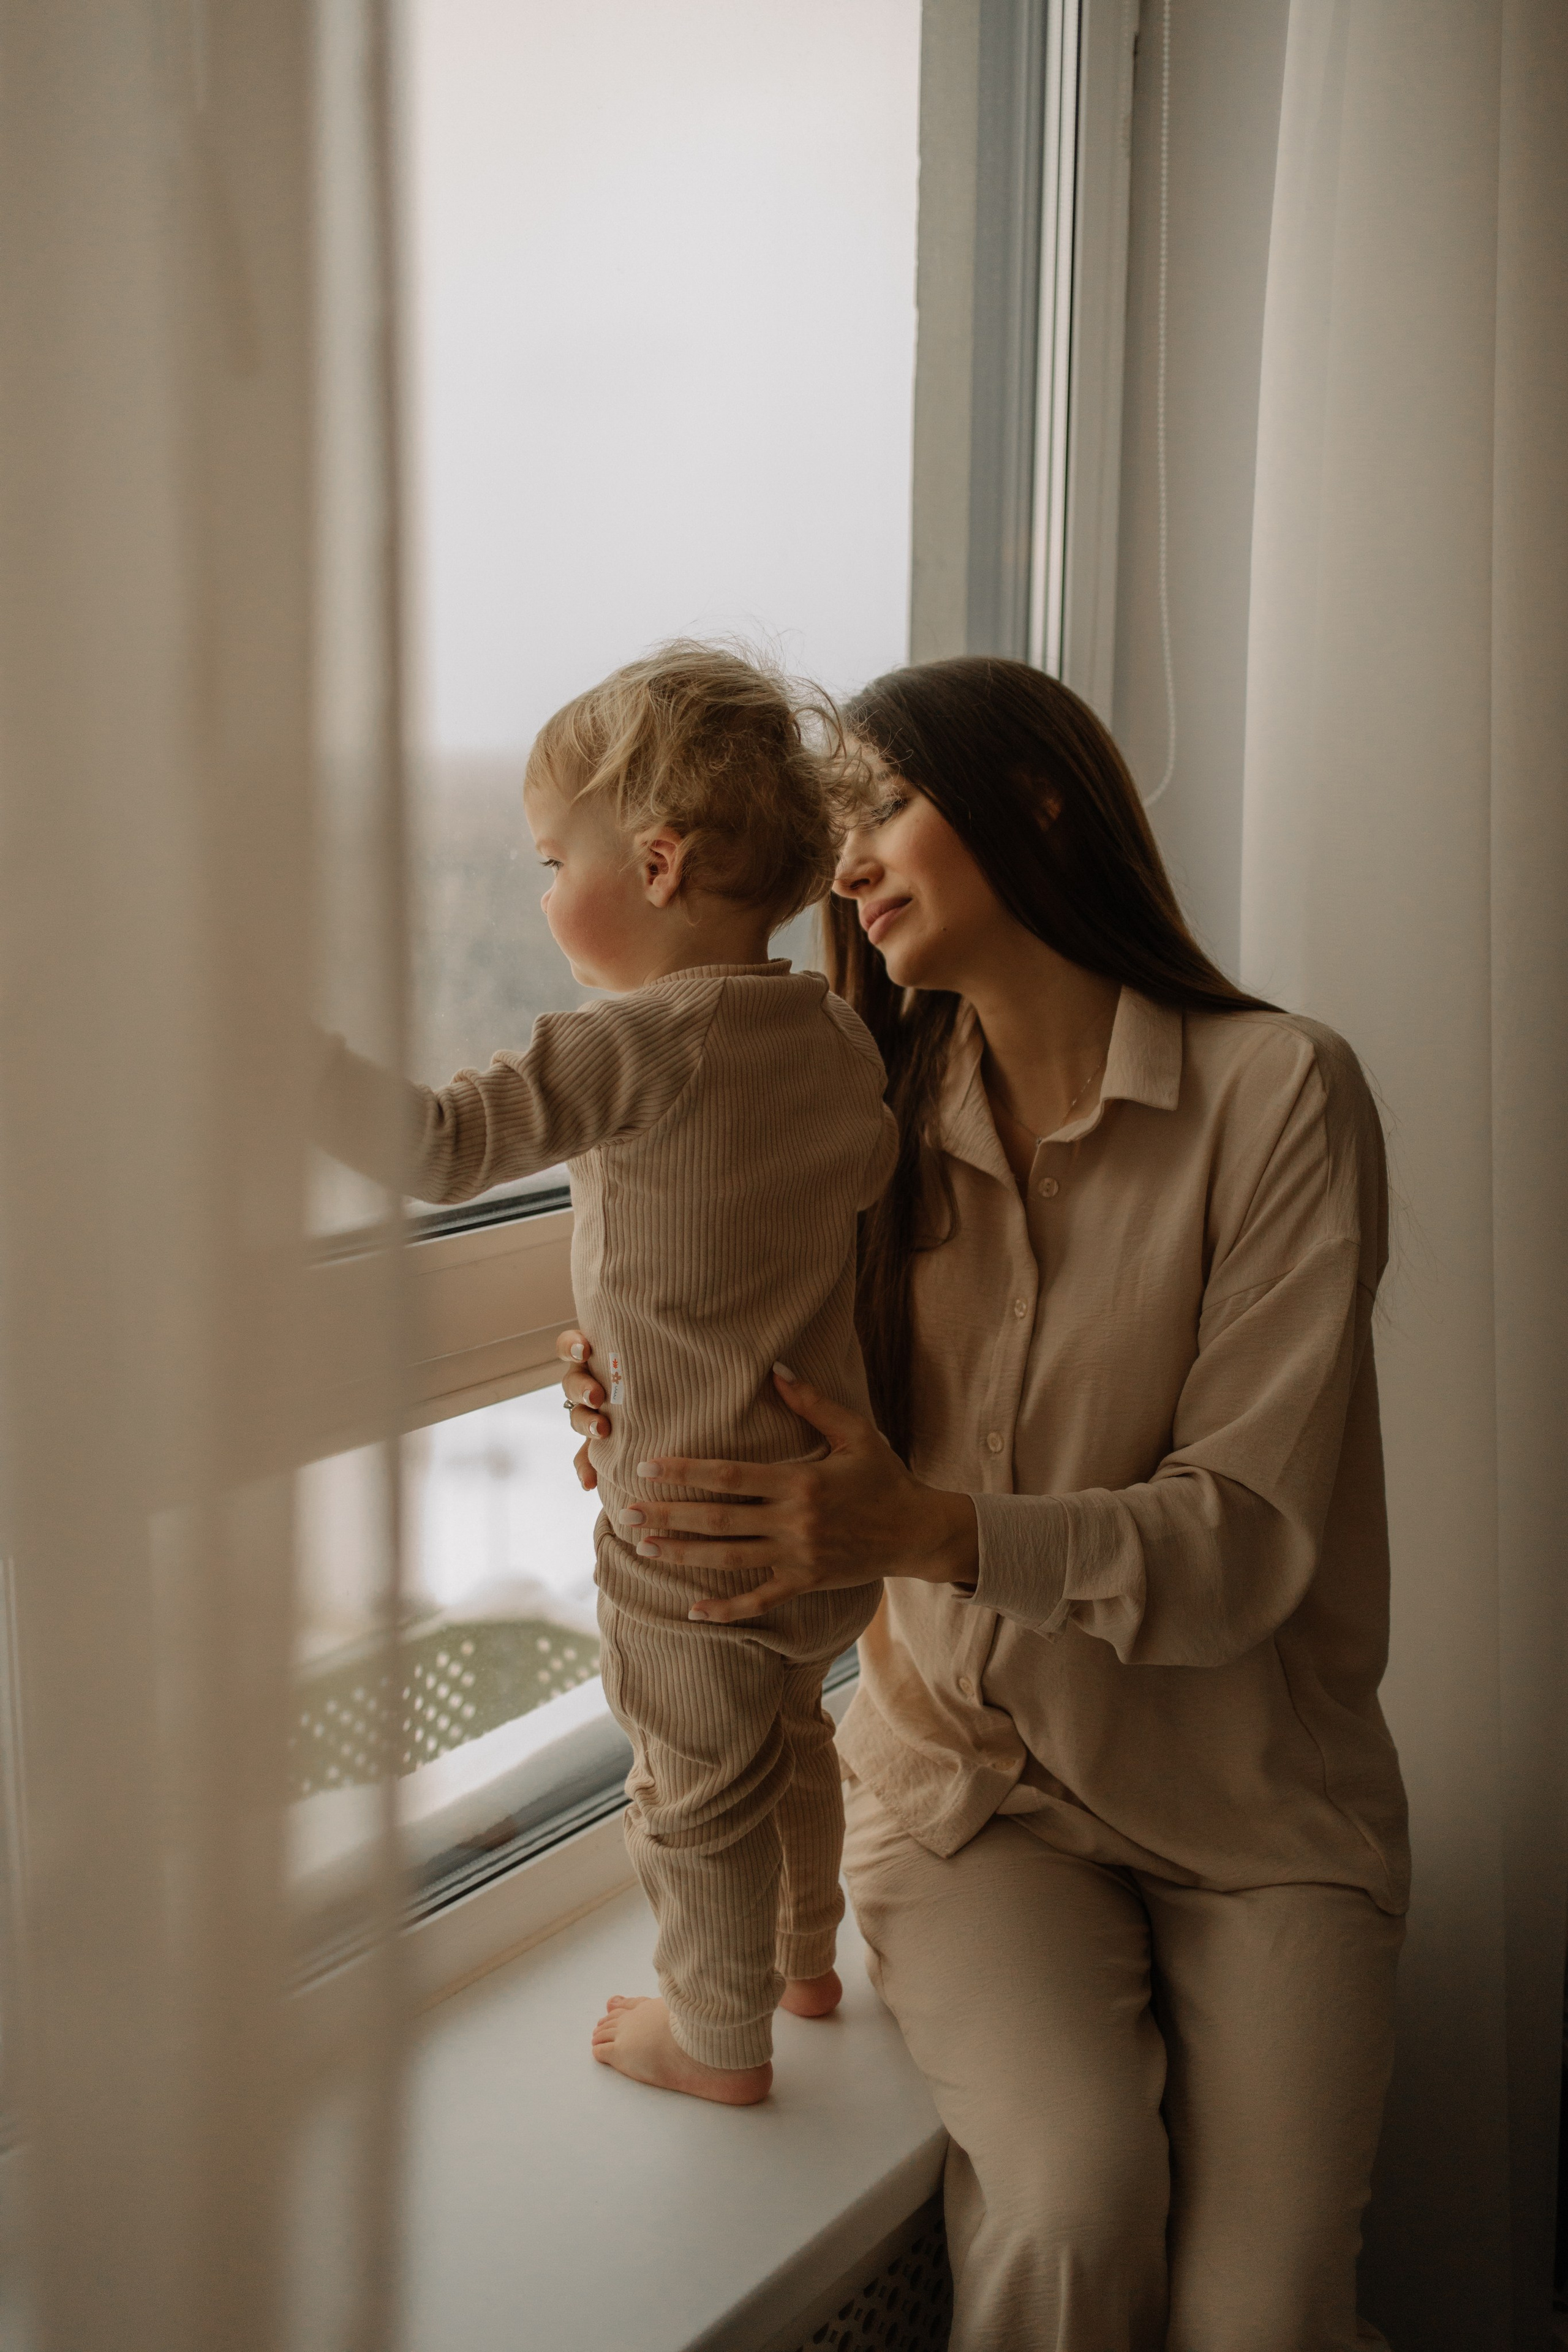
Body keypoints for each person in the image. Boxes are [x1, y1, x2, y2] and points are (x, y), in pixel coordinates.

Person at [559, 655, 1409, 2351]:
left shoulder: (1280, 1094)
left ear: (1034, 802)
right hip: (969, 1798)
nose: (847, 864)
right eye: (834, 829)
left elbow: (1241, 1537)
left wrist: (929, 1534)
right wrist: (639, 1387)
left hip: (1259, 1824)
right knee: (1070, 2218)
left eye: (882, 808)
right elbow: (774, 1375)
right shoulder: (866, 1113)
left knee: (1265, 2319)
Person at [319, 642, 897, 2107]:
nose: (536, 892)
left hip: (685, 1530)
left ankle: (712, 2038)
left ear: (651, 862)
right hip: (822, 1520)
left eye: (544, 860)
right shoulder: (830, 1040)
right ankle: (807, 1961)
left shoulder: (630, 1044)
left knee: (692, 1792)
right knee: (794, 1734)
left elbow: (446, 1148)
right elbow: (852, 1184)